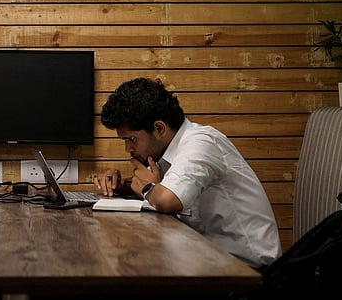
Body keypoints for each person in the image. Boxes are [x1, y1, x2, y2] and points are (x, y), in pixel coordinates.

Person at [94, 77, 281, 269]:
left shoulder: (201, 143)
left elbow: (166, 199)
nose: (128, 148)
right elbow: (158, 188)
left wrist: (148, 187)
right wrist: (123, 186)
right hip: (206, 257)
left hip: (248, 271)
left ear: (159, 128)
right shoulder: (165, 150)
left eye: (132, 139)